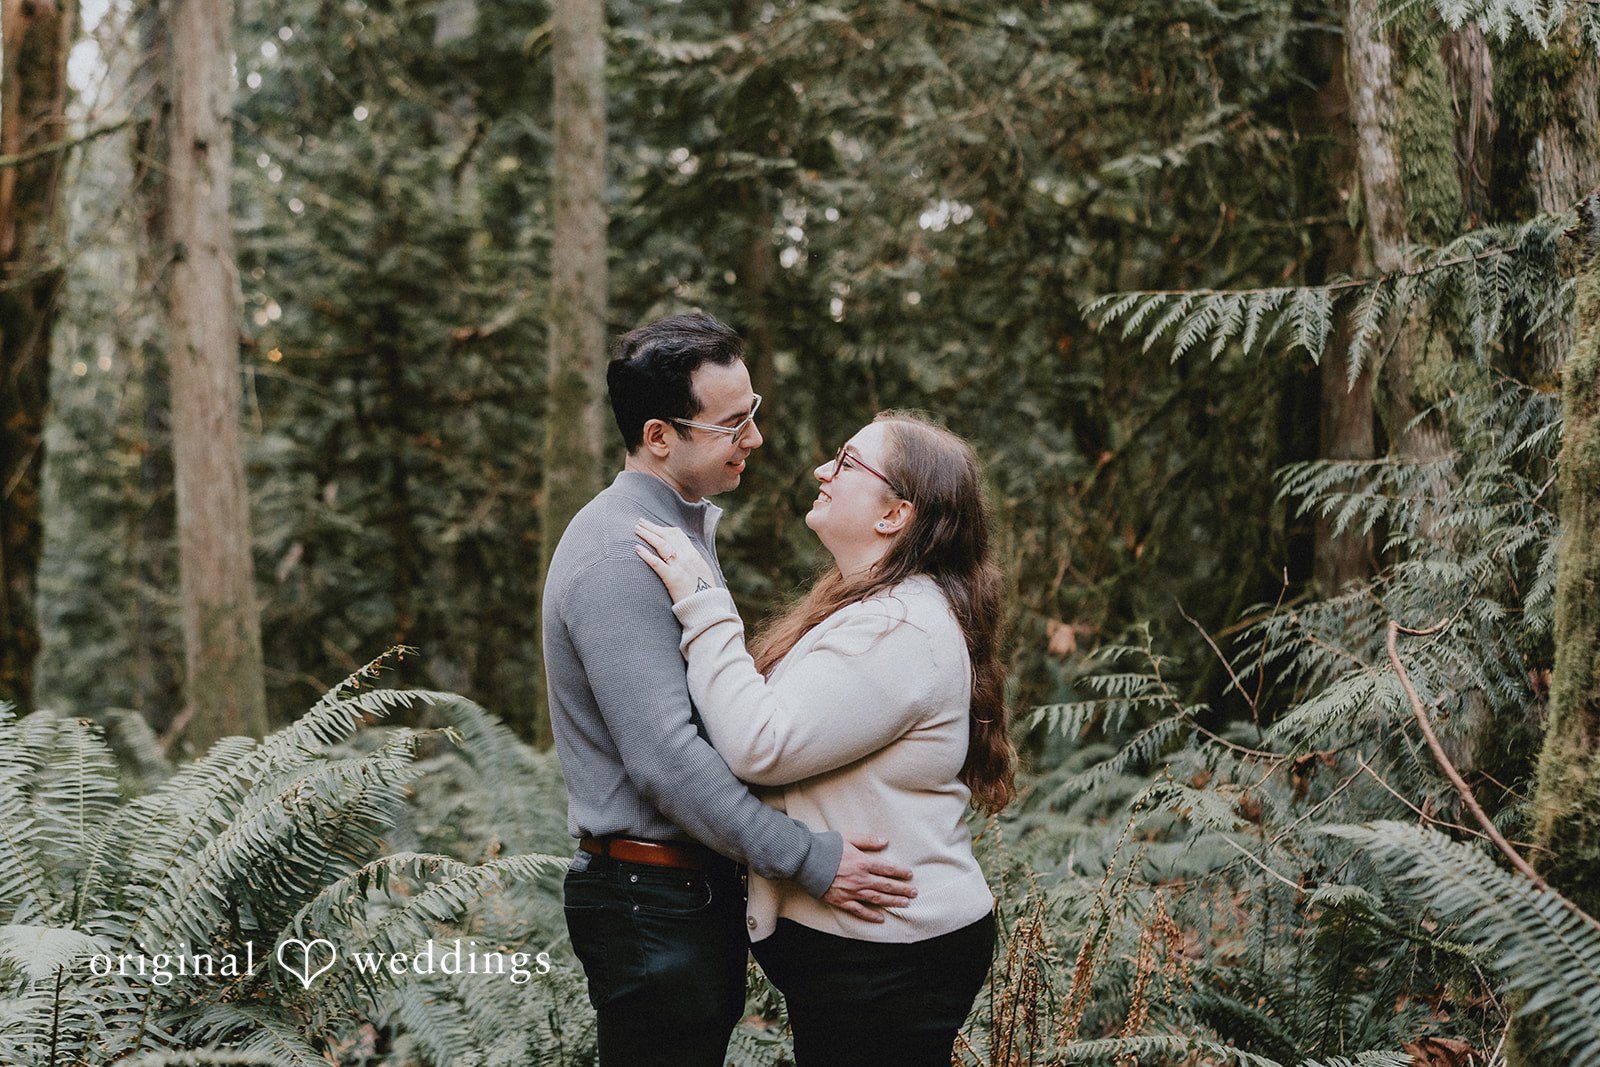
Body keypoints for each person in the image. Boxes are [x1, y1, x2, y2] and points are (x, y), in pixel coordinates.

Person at [542, 313, 920, 1067]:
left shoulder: (672, 530)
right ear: (659, 437)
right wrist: (809, 857)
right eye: (732, 422)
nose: (755, 436)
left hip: (681, 898)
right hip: (649, 904)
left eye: (754, 411)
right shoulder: (623, 552)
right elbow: (667, 759)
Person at [634, 410, 1017, 1067]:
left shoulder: (898, 627)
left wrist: (703, 601)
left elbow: (760, 742)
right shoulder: (876, 610)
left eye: (845, 462)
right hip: (875, 955)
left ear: (895, 513)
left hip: (889, 960)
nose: (821, 471)